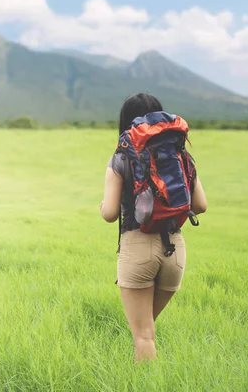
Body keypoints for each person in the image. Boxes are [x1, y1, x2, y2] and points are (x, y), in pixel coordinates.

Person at [99, 93, 207, 363]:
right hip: (175, 250)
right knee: (146, 330)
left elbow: (110, 214)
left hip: (138, 247)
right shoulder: (182, 155)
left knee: (144, 336)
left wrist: (102, 204)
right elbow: (201, 205)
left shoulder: (121, 157)